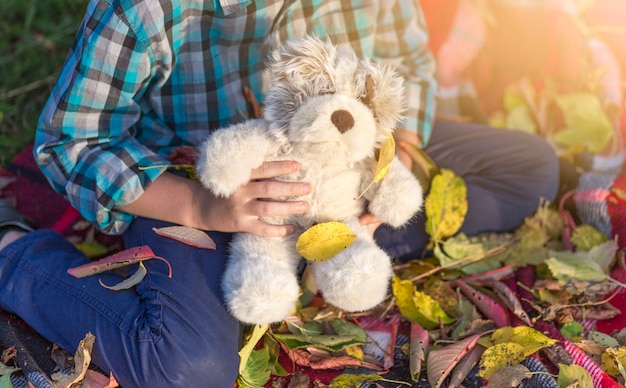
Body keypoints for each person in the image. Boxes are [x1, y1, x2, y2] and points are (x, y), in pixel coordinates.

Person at [0, 0, 559, 386]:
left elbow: (406, 66)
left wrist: (392, 168)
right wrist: (204, 207)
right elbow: (72, 140)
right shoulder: (146, 10)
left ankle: (324, 250)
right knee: (184, 369)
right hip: (198, 186)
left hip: (346, 166)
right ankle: (14, 256)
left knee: (530, 171)